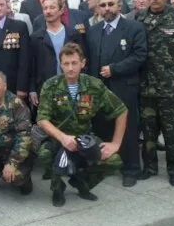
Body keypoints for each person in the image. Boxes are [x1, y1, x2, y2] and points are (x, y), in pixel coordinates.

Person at [36, 43, 127, 207]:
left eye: (74, 63)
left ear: (83, 63)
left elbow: (121, 110)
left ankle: (81, 183)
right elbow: (42, 119)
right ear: (60, 64)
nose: (70, 68)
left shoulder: (94, 85)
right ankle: (57, 188)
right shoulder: (50, 85)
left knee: (114, 160)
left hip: (85, 137)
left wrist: (116, 143)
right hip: (58, 138)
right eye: (66, 64)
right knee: (44, 154)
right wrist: (63, 138)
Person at [86, 0, 147, 187]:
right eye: (103, 5)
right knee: (103, 126)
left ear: (119, 6)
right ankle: (109, 163)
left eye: (111, 4)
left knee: (127, 129)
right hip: (100, 89)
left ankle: (131, 169)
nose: (107, 9)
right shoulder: (93, 31)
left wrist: (114, 69)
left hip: (124, 86)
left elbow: (139, 55)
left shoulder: (133, 27)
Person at [137, 0, 174, 185]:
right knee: (148, 130)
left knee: (172, 130)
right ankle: (150, 166)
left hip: (171, 86)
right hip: (146, 86)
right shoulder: (140, 19)